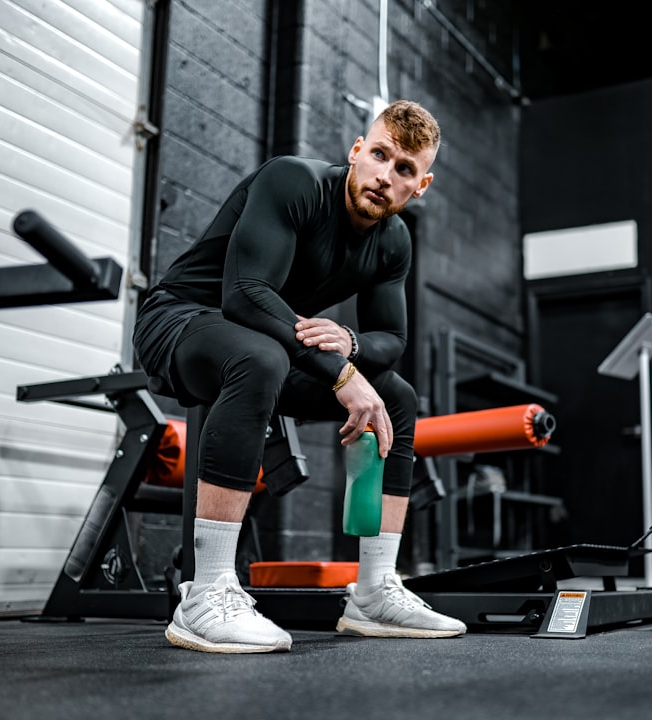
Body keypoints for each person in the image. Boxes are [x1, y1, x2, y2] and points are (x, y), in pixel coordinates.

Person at [133, 100, 466, 653]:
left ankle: (375, 591)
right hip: (183, 320)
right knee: (258, 358)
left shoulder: (393, 241)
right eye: (380, 155)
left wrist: (351, 344)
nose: (386, 176)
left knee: (397, 396)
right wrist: (340, 373)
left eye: (404, 169)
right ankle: (205, 594)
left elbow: (393, 341)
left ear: (421, 184)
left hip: (273, 343)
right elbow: (244, 296)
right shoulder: (294, 182)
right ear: (357, 151)